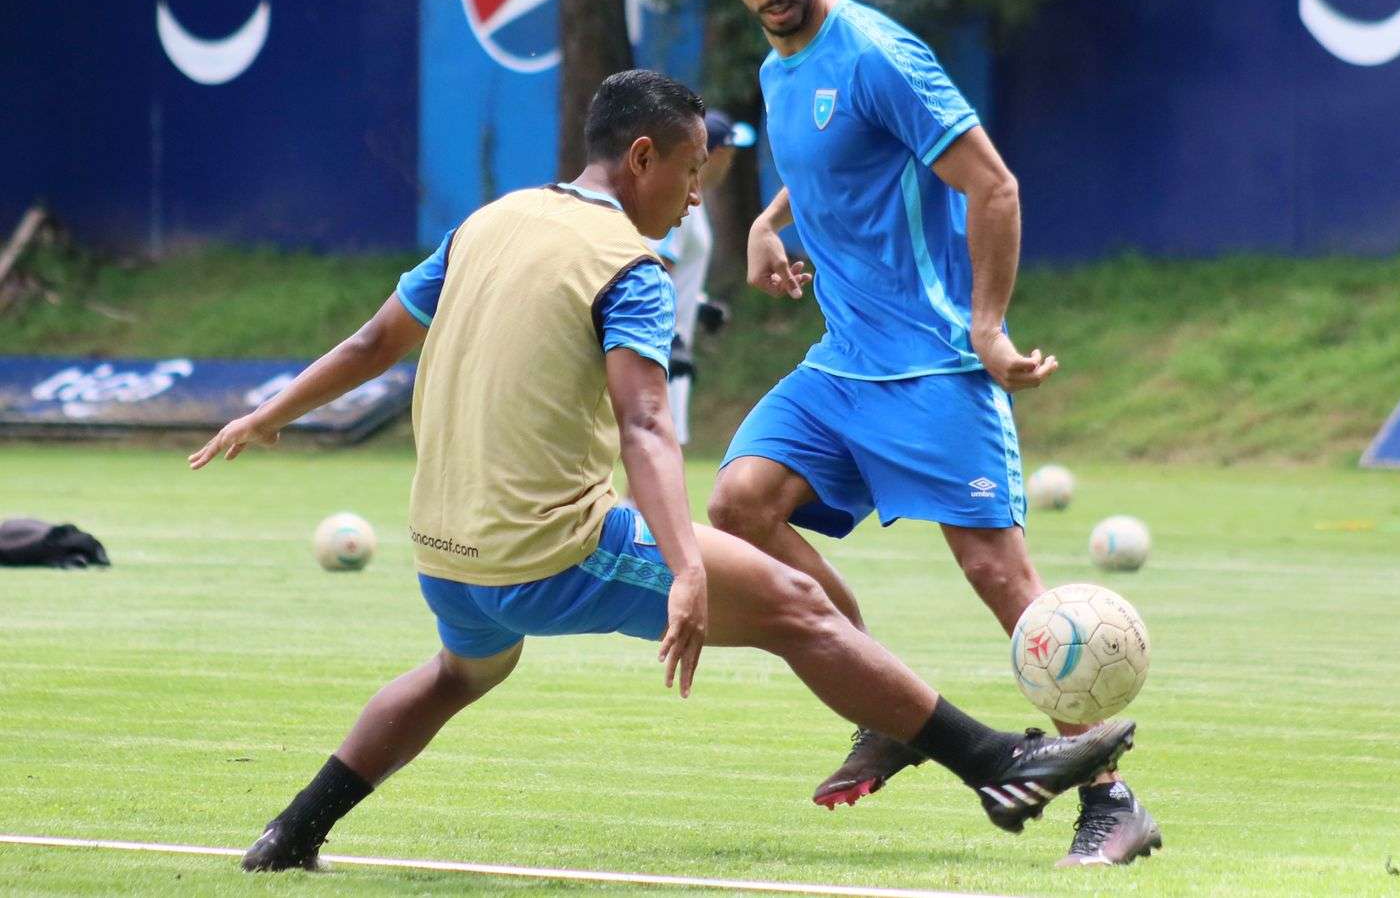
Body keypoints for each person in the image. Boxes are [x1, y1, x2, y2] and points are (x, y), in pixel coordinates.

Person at [188, 69, 1135, 873]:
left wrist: (269, 413)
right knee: (799, 609)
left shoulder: (488, 221)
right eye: (690, 172)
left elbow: (371, 342)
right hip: (550, 550)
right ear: (641, 157)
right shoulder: (628, 267)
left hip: (443, 553)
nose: (693, 198)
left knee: (456, 673)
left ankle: (291, 833)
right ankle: (999, 766)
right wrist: (686, 567)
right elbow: (646, 425)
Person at [703, 0, 1161, 868]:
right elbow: (832, 161)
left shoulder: (878, 55)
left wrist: (988, 328)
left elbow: (993, 185)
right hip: (843, 365)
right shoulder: (779, 67)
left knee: (1001, 579)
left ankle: (1114, 801)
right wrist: (767, 220)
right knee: (738, 506)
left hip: (933, 361)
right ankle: (890, 707)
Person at [649, 109, 756, 444]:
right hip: (662, 348)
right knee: (660, 449)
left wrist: (699, 304)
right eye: (730, 155)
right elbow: (656, 269)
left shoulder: (695, 203)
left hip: (671, 345)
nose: (731, 164)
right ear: (718, 154)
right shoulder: (681, 203)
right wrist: (669, 338)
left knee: (662, 447)